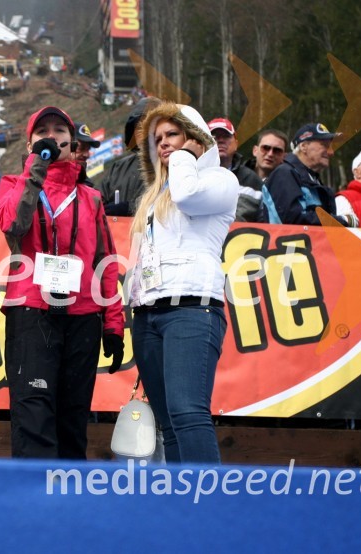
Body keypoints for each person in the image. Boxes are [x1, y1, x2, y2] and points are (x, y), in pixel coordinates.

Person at [0, 106, 125, 459]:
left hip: (82, 315)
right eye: (42, 131)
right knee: (34, 412)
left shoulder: (92, 198)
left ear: (72, 142)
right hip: (32, 311)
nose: (51, 136)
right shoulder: (12, 184)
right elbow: (13, 226)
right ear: (29, 142)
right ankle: (32, 505)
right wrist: (35, 167)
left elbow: (106, 265)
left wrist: (113, 323)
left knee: (72, 417)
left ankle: (69, 504)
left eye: (59, 130)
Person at [128, 101, 238, 464]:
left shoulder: (221, 179)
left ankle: (207, 508)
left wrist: (184, 158)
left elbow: (189, 198)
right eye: (156, 139)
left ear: (194, 136)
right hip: (148, 315)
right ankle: (180, 509)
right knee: (169, 423)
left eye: (171, 134)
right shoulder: (155, 195)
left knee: (188, 413)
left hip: (193, 309)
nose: (162, 144)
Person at [260, 123, 357, 227]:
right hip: (281, 242)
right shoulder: (284, 173)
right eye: (325, 145)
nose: (331, 152)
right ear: (303, 146)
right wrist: (342, 220)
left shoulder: (311, 179)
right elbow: (294, 219)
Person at [97, 96, 162, 216]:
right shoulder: (119, 167)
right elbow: (96, 200)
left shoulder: (172, 165)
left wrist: (131, 208)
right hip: (116, 233)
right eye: (139, 126)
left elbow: (172, 204)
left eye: (150, 126)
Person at [208, 117, 263, 222]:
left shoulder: (251, 179)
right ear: (203, 143)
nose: (220, 140)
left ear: (236, 144)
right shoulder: (193, 175)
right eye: (214, 137)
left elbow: (264, 220)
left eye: (226, 136)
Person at [73, 121, 101, 187]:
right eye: (81, 148)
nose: (87, 155)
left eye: (88, 149)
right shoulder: (45, 180)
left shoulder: (88, 187)